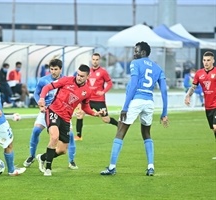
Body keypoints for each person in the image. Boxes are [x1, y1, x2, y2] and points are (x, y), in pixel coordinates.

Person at [100, 41, 169, 176]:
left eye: (136, 51)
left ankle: (112, 167)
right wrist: (164, 112)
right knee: (146, 133)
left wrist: (125, 107)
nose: (134, 53)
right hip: (149, 102)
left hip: (137, 100)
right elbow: (164, 91)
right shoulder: (158, 68)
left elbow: (133, 85)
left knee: (120, 130)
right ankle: (150, 167)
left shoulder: (135, 63)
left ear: (143, 52)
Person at [36, 64, 106, 176]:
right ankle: (48, 168)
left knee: (62, 150)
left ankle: (42, 157)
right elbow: (47, 87)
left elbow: (85, 107)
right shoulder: (66, 80)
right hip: (53, 111)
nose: (79, 77)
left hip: (66, 118)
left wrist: (95, 113)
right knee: (54, 137)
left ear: (87, 76)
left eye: (82, 76)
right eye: (78, 74)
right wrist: (42, 98)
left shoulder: (87, 91)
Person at [23, 59, 78, 170]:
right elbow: (36, 94)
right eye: (51, 69)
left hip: (62, 112)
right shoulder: (43, 80)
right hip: (46, 111)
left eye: (56, 69)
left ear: (61, 69)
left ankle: (71, 161)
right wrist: (41, 104)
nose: (53, 72)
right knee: (36, 131)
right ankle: (32, 156)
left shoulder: (67, 81)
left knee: (71, 136)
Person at [74, 53, 118, 141]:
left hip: (99, 100)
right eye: (93, 59)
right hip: (88, 99)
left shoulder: (103, 72)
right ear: (91, 60)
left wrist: (103, 92)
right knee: (80, 114)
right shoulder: (87, 72)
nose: (95, 61)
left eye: (97, 59)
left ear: (99, 60)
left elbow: (109, 83)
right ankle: (79, 136)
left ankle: (120, 126)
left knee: (106, 119)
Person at [185, 51, 216, 160]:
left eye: (208, 60)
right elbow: (193, 86)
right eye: (204, 60)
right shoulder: (199, 73)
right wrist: (188, 96)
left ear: (213, 61)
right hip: (208, 106)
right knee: (214, 129)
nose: (206, 62)